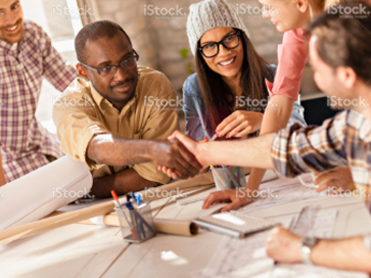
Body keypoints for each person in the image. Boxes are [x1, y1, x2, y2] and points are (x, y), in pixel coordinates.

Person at [163, 2, 371, 272]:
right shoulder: (351, 127)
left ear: (345, 74)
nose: (316, 83)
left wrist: (302, 248)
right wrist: (206, 154)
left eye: (318, 71)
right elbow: (290, 147)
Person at [53, 21, 202, 198]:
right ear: (83, 72)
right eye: (106, 68)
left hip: (148, 196)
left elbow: (155, 174)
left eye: (127, 60)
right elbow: (97, 148)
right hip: (87, 208)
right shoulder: (69, 104)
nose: (122, 75)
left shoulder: (155, 87)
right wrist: (153, 150)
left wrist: (89, 189)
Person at [182, 0, 306, 143]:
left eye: (229, 38)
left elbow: (300, 134)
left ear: (242, 37)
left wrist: (263, 120)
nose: (223, 52)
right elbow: (196, 144)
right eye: (209, 46)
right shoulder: (193, 88)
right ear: (200, 54)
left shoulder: (274, 75)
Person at [0, 0, 79, 182]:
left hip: (39, 143)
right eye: (0, 12)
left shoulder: (33, 34)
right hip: (6, 161)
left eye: (14, 6)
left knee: (84, 182)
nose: (11, 20)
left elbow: (70, 82)